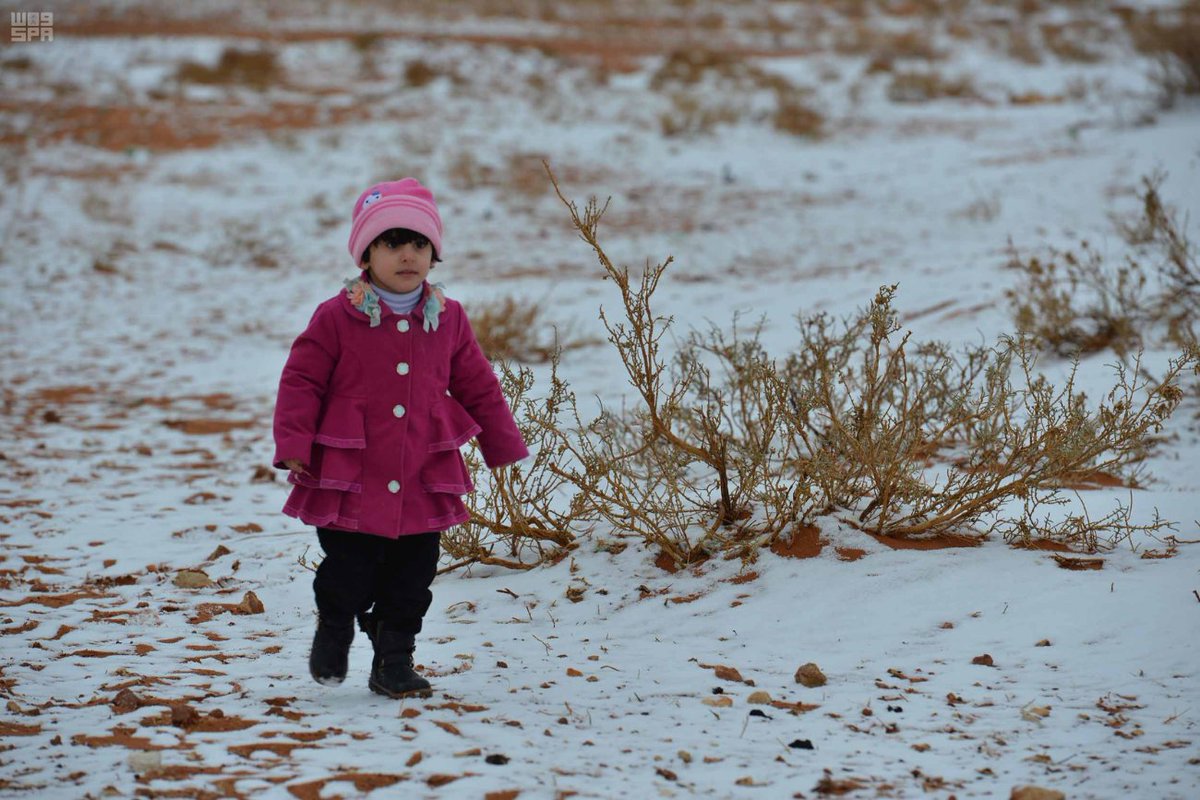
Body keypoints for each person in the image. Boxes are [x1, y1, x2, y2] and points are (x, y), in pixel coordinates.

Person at [272, 178, 528, 698]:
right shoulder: (337, 316)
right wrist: (295, 444)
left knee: (413, 577)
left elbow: (478, 383)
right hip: (350, 474)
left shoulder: (449, 319)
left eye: (419, 243)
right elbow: (302, 379)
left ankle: (393, 660)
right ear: (366, 252)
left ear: (434, 254)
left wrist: (502, 442)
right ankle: (337, 621)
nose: (407, 254)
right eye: (391, 242)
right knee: (350, 568)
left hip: (421, 475)